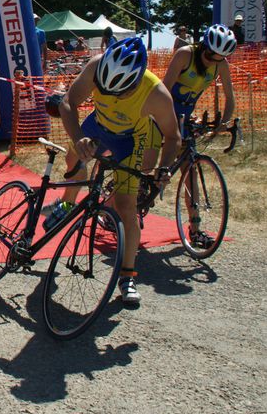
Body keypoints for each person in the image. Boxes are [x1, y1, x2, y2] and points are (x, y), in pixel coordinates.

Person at [57, 37, 180, 307]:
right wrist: (78, 138)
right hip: (98, 125)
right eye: (107, 90)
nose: (113, 97)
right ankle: (66, 203)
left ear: (136, 81)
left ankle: (127, 276)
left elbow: (173, 136)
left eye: (121, 93)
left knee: (127, 207)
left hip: (130, 140)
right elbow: (68, 102)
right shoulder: (95, 66)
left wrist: (165, 168)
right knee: (73, 160)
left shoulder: (156, 93)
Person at [161, 24, 237, 249]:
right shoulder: (185, 54)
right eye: (210, 56)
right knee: (148, 159)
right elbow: (163, 90)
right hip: (163, 109)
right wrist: (167, 119)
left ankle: (195, 231)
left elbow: (230, 98)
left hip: (185, 116)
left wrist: (223, 124)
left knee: (190, 170)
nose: (213, 62)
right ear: (203, 47)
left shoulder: (220, 64)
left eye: (220, 58)